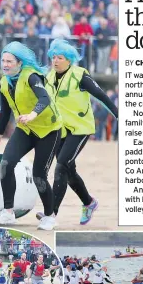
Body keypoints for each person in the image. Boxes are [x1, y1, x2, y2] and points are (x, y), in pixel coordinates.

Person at [44, 39, 119, 229]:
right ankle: (89, 202)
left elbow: (102, 96)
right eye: (53, 57)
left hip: (80, 128)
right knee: (69, 171)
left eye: (60, 57)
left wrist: (119, 115)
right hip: (60, 130)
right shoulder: (49, 77)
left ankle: (51, 213)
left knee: (61, 165)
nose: (56, 60)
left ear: (69, 60)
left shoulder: (80, 76)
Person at [0, 42, 62, 227]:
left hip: (48, 130)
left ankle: (49, 216)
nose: (5, 64)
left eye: (10, 61)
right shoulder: (4, 81)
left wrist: (32, 114)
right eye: (3, 60)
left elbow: (44, 98)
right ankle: (8, 212)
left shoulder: (31, 77)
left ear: (20, 63)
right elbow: (5, 111)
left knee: (39, 174)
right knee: (6, 164)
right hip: (25, 129)